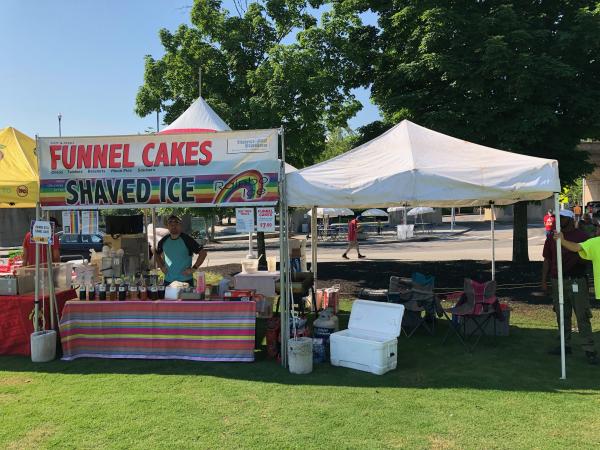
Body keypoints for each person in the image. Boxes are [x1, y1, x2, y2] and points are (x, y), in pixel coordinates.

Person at [542, 210, 597, 364]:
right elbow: (547, 259)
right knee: (561, 314)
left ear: (569, 219)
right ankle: (564, 345)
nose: (556, 220)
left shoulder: (582, 236)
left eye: (561, 218)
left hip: (576, 280)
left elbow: (588, 257)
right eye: (556, 218)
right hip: (557, 281)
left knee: (582, 315)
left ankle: (589, 349)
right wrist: (544, 280)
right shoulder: (552, 237)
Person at [155, 215, 207, 285]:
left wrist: (193, 269)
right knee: (167, 296)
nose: (173, 226)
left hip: (185, 280)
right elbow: (156, 254)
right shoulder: (164, 240)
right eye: (170, 223)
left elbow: (203, 253)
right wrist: (161, 267)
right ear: (167, 226)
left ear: (180, 225)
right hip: (169, 280)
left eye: (176, 223)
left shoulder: (187, 239)